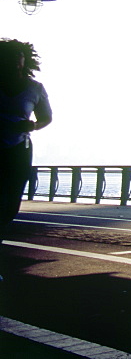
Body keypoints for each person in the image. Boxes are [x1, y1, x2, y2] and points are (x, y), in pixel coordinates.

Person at [0, 40, 52, 255]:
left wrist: (32, 125)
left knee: (11, 203)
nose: (15, 60)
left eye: (18, 56)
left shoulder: (34, 88)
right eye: (10, 56)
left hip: (19, 148)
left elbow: (46, 118)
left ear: (25, 59)